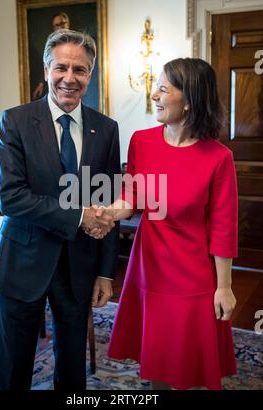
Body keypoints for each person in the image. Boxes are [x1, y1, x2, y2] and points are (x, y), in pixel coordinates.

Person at [95, 58, 238, 390]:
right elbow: (131, 199)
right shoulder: (142, 142)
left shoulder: (219, 157)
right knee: (156, 357)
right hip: (150, 266)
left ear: (189, 99)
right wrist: (100, 214)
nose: (154, 95)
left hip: (194, 274)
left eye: (163, 88)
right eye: (155, 87)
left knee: (189, 363)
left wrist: (225, 286)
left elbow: (223, 226)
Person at [0, 29, 120, 391]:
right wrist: (79, 215)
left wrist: (106, 273)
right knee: (13, 369)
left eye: (80, 70)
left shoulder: (106, 130)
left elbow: (106, 204)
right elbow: (11, 198)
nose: (69, 78)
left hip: (79, 267)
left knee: (73, 369)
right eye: (61, 67)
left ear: (90, 75)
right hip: (22, 264)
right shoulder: (14, 121)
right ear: (46, 69)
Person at [32, 12, 70, 100]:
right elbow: (47, 63)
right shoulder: (51, 43)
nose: (60, 27)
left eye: (62, 23)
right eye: (56, 25)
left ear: (67, 24)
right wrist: (41, 84)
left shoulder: (78, 42)